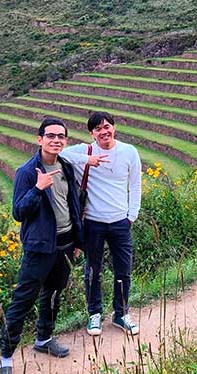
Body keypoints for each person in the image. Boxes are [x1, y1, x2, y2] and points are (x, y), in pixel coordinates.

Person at [0, 118, 84, 374]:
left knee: (54, 295)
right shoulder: (27, 172)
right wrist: (37, 188)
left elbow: (73, 206)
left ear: (65, 141)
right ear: (40, 139)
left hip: (65, 244)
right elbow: (18, 212)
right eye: (51, 135)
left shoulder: (65, 166)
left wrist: (78, 241)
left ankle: (44, 339)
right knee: (23, 300)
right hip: (40, 247)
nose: (56, 140)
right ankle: (5, 357)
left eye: (61, 136)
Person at [60, 111, 142, 336]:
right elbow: (60, 155)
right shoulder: (84, 151)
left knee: (123, 270)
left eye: (107, 126)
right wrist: (89, 160)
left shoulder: (128, 152)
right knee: (93, 271)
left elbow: (135, 185)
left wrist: (131, 216)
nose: (103, 131)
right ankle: (94, 314)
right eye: (98, 129)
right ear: (92, 133)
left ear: (114, 127)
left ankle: (121, 313)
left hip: (120, 222)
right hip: (93, 223)